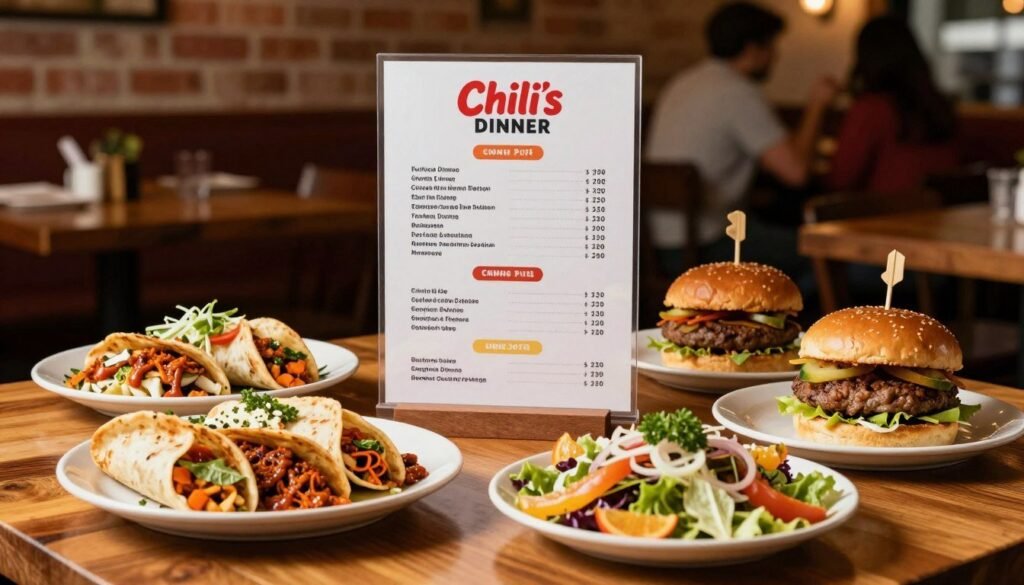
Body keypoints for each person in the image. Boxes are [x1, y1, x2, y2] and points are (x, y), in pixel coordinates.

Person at [645, 2, 838, 274]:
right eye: (772, 46)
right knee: (821, 252)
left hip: (653, 247)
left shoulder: (683, 82)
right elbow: (796, 173)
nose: (776, 56)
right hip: (706, 245)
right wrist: (817, 105)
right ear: (752, 49)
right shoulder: (737, 92)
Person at [825, 17, 958, 193]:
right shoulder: (938, 106)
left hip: (885, 209)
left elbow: (841, 178)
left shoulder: (872, 109)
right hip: (938, 209)